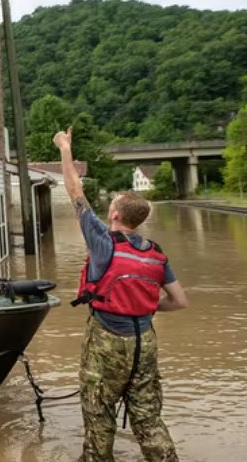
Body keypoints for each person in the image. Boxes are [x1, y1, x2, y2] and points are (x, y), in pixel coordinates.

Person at [53, 127, 188, 462]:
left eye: (111, 205)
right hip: (145, 340)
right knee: (147, 416)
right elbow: (180, 301)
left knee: (99, 413)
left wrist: (65, 148)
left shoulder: (102, 242)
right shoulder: (155, 253)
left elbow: (74, 189)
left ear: (114, 215)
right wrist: (142, 307)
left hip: (107, 340)